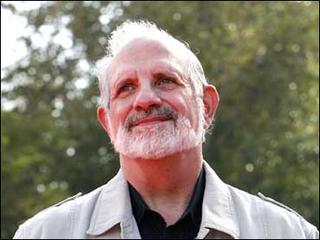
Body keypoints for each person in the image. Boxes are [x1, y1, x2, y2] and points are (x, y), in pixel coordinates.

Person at [14, 20, 318, 239]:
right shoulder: (43, 234)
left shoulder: (286, 232)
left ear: (206, 105)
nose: (145, 99)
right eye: (126, 88)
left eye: (165, 80)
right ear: (107, 121)